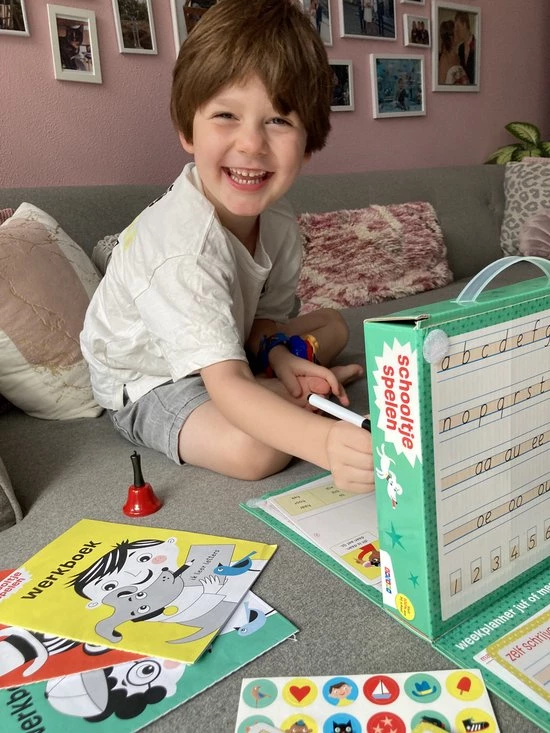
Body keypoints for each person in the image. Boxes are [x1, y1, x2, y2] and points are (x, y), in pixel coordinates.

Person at [80, 0, 374, 494]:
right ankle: (285, 398)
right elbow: (227, 383)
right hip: (151, 379)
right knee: (255, 451)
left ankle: (282, 388)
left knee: (334, 325)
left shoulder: (278, 224)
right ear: (187, 129)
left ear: (308, 143)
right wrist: (326, 443)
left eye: (278, 120)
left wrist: (279, 355)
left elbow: (263, 322)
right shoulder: (181, 249)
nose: (251, 144)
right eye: (225, 115)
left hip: (226, 348)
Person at [437, 19, 468, 86]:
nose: (459, 32)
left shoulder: (458, 56)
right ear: (451, 37)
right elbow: (442, 85)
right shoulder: (444, 59)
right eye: (457, 31)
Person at [454, 10, 476, 84]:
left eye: (458, 27)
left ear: (464, 24)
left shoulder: (476, 44)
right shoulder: (460, 48)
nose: (456, 30)